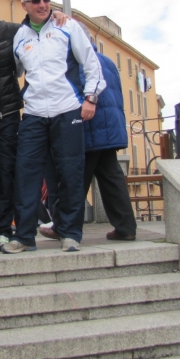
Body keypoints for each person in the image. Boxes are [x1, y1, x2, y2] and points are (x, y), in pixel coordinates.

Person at [0, 0, 68, 253]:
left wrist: (56, 16)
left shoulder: (13, 31)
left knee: (7, 174)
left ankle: (4, 231)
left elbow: (38, 24)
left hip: (9, 114)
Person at [3, 0, 106, 255]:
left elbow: (91, 63)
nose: (43, 5)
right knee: (26, 174)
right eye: (36, 1)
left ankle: (71, 233)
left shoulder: (67, 26)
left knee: (70, 173)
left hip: (67, 109)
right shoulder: (20, 36)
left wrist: (90, 98)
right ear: (24, 4)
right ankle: (24, 236)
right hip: (34, 112)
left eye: (46, 0)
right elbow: (14, 71)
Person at [41, 43, 137, 242]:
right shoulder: (107, 60)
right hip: (109, 125)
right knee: (111, 177)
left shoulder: (78, 60)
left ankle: (61, 225)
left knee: (75, 177)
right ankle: (126, 226)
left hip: (88, 126)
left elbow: (80, 92)